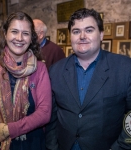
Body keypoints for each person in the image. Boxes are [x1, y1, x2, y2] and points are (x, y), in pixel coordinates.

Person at [45, 8, 131, 150]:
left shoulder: (125, 68)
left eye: (89, 30)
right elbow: (52, 117)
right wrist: (52, 147)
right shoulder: (55, 70)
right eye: (76, 31)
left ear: (101, 34)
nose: (82, 36)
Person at [0, 11, 52, 150]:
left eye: (25, 33)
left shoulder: (40, 68)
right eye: (14, 31)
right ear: (5, 34)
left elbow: (44, 113)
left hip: (33, 144)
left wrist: (9, 130)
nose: (19, 38)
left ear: (31, 38)